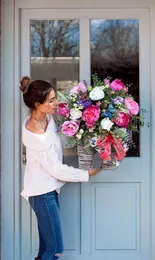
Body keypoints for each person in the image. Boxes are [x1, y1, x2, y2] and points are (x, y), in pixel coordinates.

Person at [20, 76, 100, 260]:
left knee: (46, 249)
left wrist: (84, 131)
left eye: (55, 98)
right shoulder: (35, 133)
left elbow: (59, 142)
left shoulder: (47, 119)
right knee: (55, 248)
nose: (56, 103)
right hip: (42, 194)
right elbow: (55, 169)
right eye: (51, 100)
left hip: (48, 192)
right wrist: (85, 173)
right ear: (37, 104)